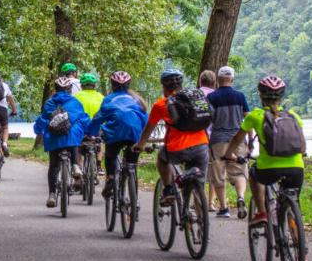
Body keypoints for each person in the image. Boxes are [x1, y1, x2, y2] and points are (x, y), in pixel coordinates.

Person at [223, 75, 306, 227]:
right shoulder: (294, 116)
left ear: (261, 95)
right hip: (296, 168)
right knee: (293, 203)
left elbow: (237, 139)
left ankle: (262, 212)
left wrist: (229, 154)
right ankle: (298, 242)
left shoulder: (255, 115)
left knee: (254, 174)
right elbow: (303, 147)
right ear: (282, 96)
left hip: (269, 169)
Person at [135, 69, 209, 205]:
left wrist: (140, 145)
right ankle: (201, 221)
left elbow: (148, 129)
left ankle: (168, 189)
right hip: (202, 145)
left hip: (177, 148)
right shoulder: (196, 98)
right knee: (199, 186)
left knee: (162, 158)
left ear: (163, 86)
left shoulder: (160, 105)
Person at [86, 71, 148, 198]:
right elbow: (145, 118)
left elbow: (98, 118)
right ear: (128, 85)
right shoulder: (137, 100)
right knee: (132, 163)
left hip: (116, 134)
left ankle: (110, 177)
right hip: (134, 134)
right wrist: (144, 137)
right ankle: (133, 196)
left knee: (110, 155)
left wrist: (89, 133)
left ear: (112, 85)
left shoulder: (109, 99)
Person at [34, 77, 90, 208]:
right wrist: (91, 132)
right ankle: (76, 165)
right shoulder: (76, 102)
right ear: (70, 90)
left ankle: (52, 195)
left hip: (53, 138)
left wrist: (37, 130)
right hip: (71, 136)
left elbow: (42, 120)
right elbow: (84, 118)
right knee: (73, 139)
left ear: (55, 89)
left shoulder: (49, 103)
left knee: (53, 166)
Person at [207, 66, 251, 219]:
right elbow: (248, 119)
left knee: (218, 174)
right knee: (238, 171)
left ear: (218, 80)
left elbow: (207, 119)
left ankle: (224, 208)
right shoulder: (240, 96)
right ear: (232, 79)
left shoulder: (212, 97)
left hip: (218, 140)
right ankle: (240, 197)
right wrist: (250, 140)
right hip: (237, 139)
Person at [75, 73, 105, 173]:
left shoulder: (77, 96)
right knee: (99, 142)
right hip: (97, 126)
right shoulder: (101, 97)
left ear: (82, 85)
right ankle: (99, 165)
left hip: (82, 126)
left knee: (78, 145)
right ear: (94, 85)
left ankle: (79, 168)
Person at [198, 69, 217, 211]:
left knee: (199, 169)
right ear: (214, 82)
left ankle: (198, 201)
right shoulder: (217, 96)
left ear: (200, 81)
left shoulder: (195, 95)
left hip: (199, 137)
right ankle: (211, 202)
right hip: (215, 137)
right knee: (213, 170)